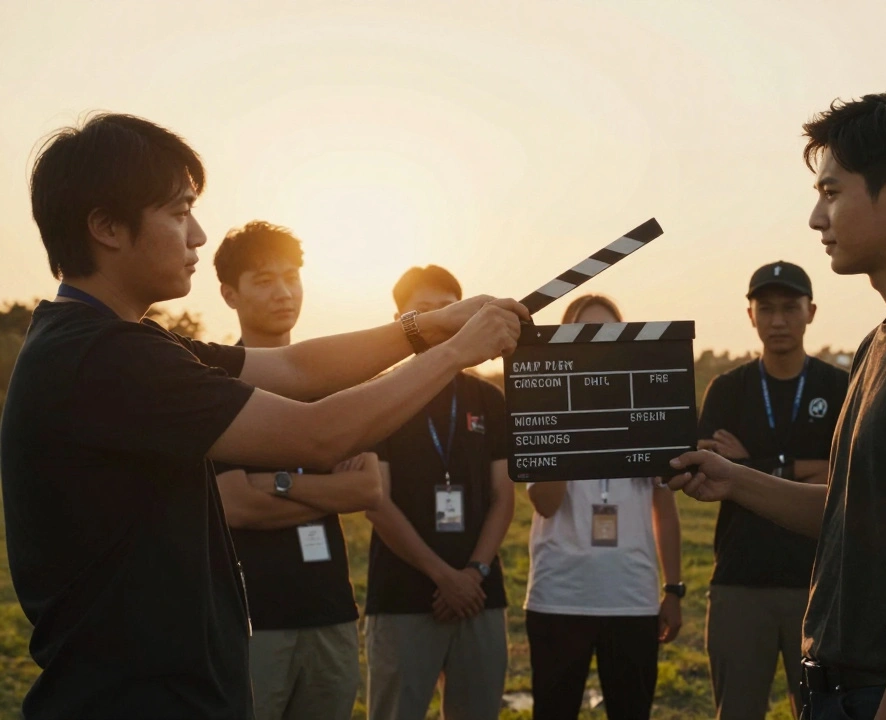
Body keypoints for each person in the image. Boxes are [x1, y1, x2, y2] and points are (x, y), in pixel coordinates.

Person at [0, 113, 525, 719]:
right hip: (137, 699)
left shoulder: (120, 339)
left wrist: (428, 328)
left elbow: (299, 368)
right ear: (106, 227)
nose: (197, 235)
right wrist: (459, 352)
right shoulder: (105, 357)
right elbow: (320, 433)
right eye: (178, 212)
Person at [668, 94, 886, 720]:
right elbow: (850, 513)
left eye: (831, 191)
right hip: (843, 692)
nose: (815, 217)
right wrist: (736, 481)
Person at [210, 220, 383, 720]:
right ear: (229, 294)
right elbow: (236, 505)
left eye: (291, 276)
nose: (283, 292)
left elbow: (368, 488)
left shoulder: (334, 380)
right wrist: (328, 486)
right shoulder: (216, 385)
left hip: (331, 613)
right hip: (251, 620)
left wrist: (280, 483)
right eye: (263, 280)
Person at [363, 265, 515, 720]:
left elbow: (503, 498)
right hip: (404, 596)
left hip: (480, 595)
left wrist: (473, 572)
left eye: (449, 310)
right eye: (423, 311)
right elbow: (376, 501)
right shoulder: (380, 395)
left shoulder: (488, 399)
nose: (439, 319)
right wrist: (444, 577)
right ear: (399, 319)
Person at [697, 260, 847, 719]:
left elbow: (848, 477)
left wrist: (746, 466)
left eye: (789, 308)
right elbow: (706, 475)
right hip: (741, 580)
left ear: (811, 312)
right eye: (766, 309)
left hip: (820, 582)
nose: (778, 320)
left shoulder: (840, 386)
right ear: (750, 316)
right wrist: (800, 468)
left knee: (826, 712)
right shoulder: (728, 389)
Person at [523, 294, 684, 720]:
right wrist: (566, 424)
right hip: (559, 595)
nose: (595, 343)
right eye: (583, 333)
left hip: (631, 595)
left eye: (607, 333)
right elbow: (544, 503)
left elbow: (664, 507)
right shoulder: (544, 405)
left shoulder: (647, 405)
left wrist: (674, 588)